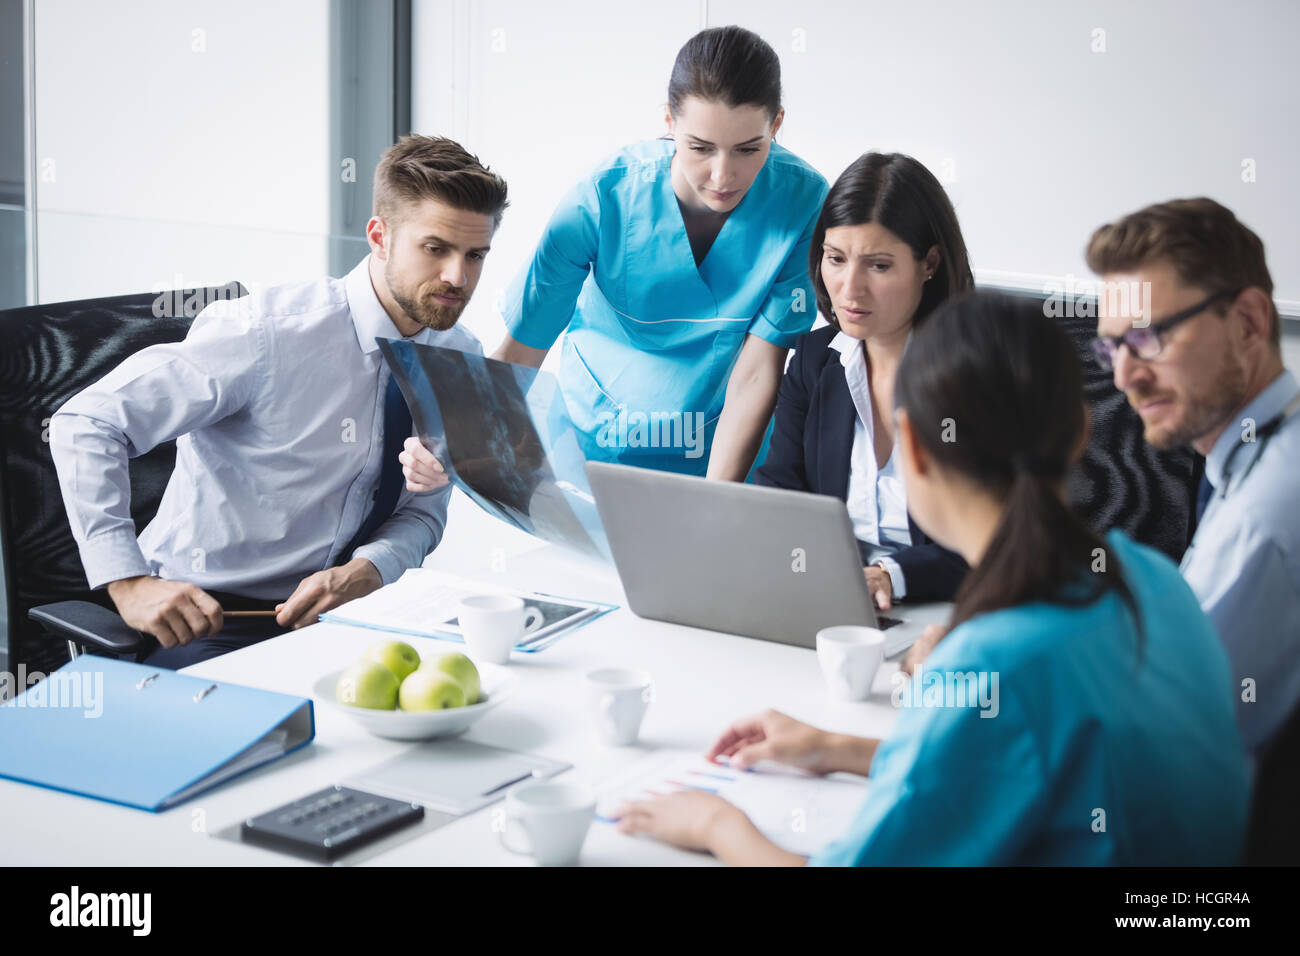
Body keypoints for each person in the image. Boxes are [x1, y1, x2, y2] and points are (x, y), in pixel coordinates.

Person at [614, 292, 1250, 865]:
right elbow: (1018, 764)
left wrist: (718, 826)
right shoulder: (1155, 579)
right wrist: (836, 748)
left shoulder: (988, 662)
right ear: (1082, 431)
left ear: (913, 446)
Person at [49, 135, 508, 667]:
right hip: (210, 615)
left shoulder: (456, 356)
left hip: (346, 615)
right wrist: (126, 582)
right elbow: (86, 422)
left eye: (475, 255)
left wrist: (373, 567)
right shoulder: (266, 333)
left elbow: (423, 512)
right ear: (380, 237)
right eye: (436, 249)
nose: (458, 277)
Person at [402, 25, 828, 492]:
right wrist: (454, 444)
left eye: (749, 149)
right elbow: (522, 349)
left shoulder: (804, 203)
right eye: (700, 148)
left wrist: (716, 501)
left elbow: (757, 370)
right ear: (669, 121)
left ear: (777, 124)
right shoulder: (602, 198)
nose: (722, 175)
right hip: (599, 447)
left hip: (724, 451)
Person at [1087, 197, 1300, 759]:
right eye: (1111, 347)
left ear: (1249, 322)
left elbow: (1154, 732)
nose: (1125, 376)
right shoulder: (1260, 451)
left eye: (1148, 337)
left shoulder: (1265, 516)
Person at [754, 153, 971, 609]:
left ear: (929, 263)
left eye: (878, 266)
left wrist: (890, 576)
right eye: (836, 259)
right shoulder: (815, 360)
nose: (850, 289)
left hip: (943, 610)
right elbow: (779, 491)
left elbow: (995, 540)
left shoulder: (975, 375)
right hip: (833, 599)